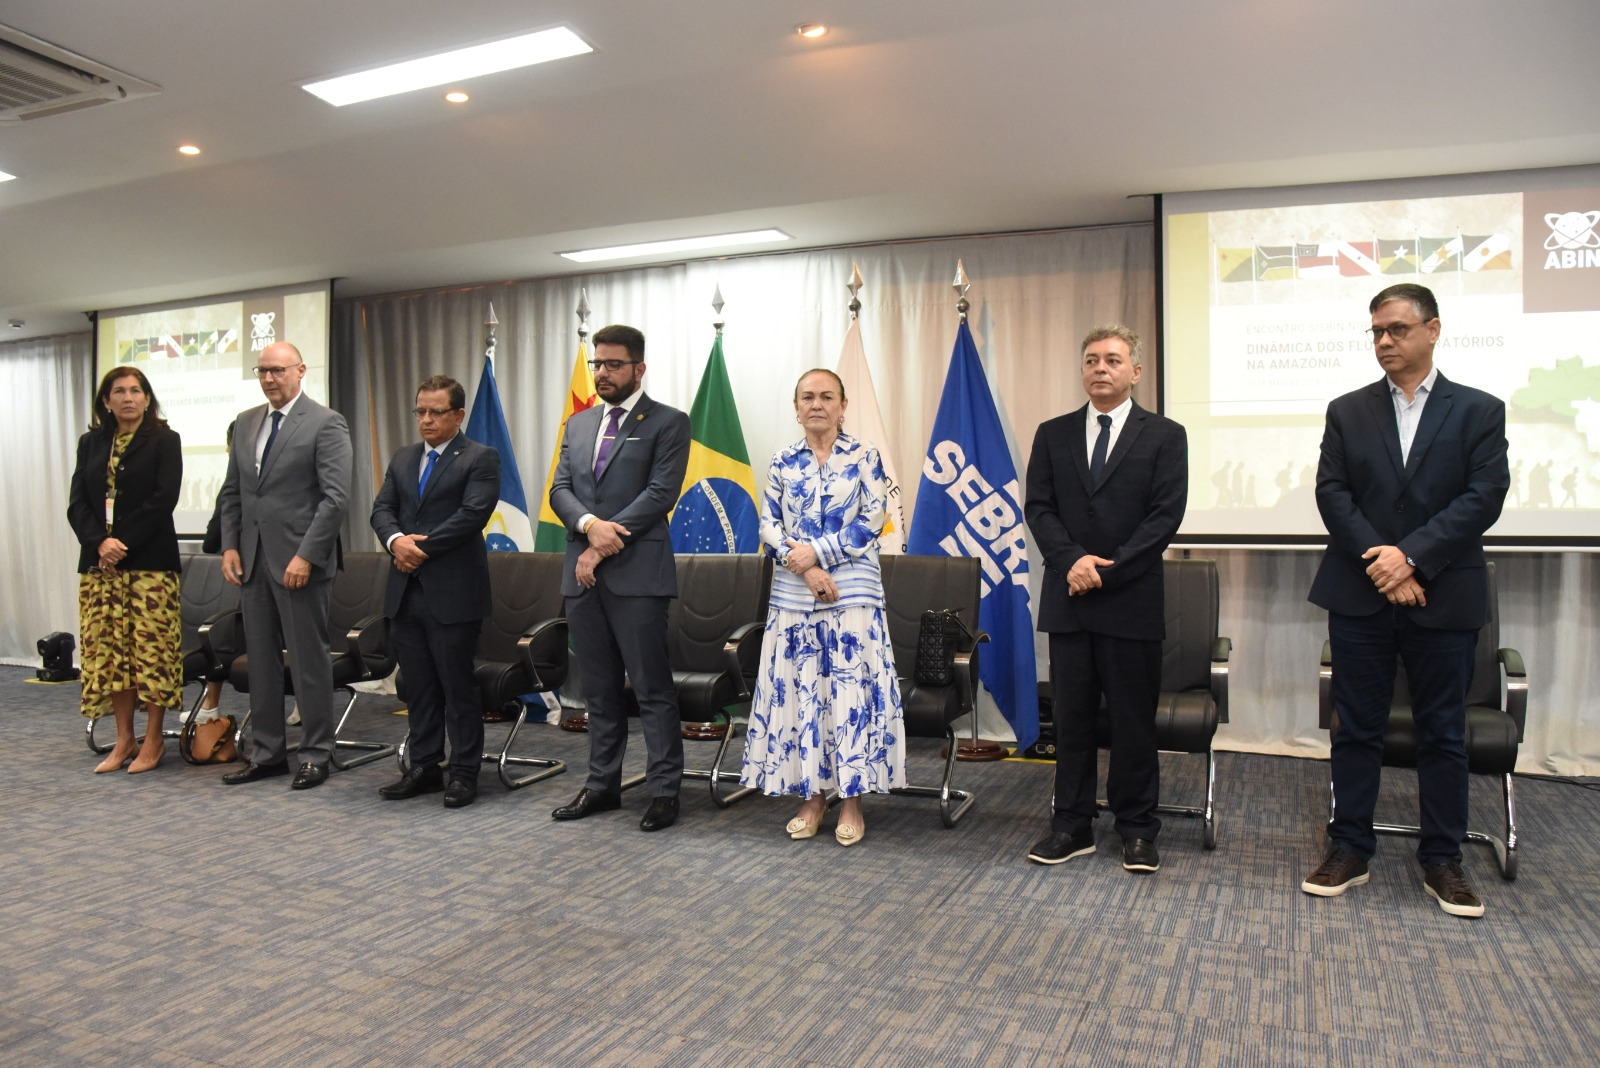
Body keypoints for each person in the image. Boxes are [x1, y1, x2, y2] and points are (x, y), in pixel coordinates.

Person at [1302, 283, 1509, 918]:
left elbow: (1484, 496)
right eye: (1376, 332)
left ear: (1433, 329)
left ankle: (1442, 858)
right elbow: (1333, 493)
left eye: (1397, 329)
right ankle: (1349, 847)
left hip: (1442, 593)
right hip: (1361, 592)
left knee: (1442, 732)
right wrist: (1385, 565)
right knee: (1356, 727)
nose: (1385, 341)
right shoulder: (1347, 410)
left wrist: (1411, 557)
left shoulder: (1478, 410)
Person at [1023, 324, 1188, 873]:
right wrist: (1072, 561)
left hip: (1130, 599)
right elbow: (1039, 507)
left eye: (1113, 360)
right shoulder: (1053, 433)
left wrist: (1105, 571)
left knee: (1132, 723)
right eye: (1092, 359)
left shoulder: (1165, 435)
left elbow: (1164, 516)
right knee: (1071, 721)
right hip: (1069, 597)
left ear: (1135, 372)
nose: (1100, 368)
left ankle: (1137, 828)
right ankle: (1071, 824)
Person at [739, 369, 906, 846]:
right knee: (803, 698)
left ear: (842, 406)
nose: (817, 404)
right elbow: (768, 526)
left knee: (850, 699)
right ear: (796, 408)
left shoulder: (865, 456)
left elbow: (872, 520)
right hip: (794, 596)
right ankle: (812, 799)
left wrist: (818, 553)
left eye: (827, 397)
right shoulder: (782, 460)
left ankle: (852, 802)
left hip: (853, 596)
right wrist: (808, 569)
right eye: (808, 397)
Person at [548, 324, 691, 832]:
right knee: (599, 691)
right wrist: (589, 527)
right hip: (583, 577)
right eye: (598, 364)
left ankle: (664, 791)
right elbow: (560, 490)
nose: (603, 373)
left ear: (639, 368)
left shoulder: (668, 422)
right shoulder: (579, 423)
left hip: (638, 576)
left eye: (613, 364)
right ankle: (602, 785)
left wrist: (602, 541)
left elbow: (660, 494)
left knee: (651, 689)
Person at [218, 341, 352, 790]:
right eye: (262, 371)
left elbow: (335, 499)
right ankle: (268, 754)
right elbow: (234, 492)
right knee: (260, 662)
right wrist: (230, 545)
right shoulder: (246, 421)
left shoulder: (325, 422)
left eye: (277, 370)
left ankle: (316, 753)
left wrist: (306, 555)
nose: (269, 378)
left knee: (308, 661)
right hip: (253, 560)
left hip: (301, 563)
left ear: (300, 370)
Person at [371, 375, 499, 808]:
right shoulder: (404, 457)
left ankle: (463, 772)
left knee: (457, 687)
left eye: (435, 412)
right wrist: (395, 542)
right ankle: (424, 767)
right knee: (419, 687)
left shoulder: (479, 457)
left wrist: (417, 549)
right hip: (406, 590)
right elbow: (382, 509)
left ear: (458, 415)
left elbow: (472, 515)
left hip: (453, 591)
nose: (425, 419)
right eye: (420, 411)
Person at [67, 366, 184, 774]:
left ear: (147, 398)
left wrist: (121, 543)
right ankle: (123, 740)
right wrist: (99, 542)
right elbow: (78, 503)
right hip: (100, 567)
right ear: (106, 401)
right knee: (111, 655)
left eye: (136, 390)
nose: (128, 398)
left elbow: (164, 499)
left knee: (151, 654)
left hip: (150, 565)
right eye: (119, 391)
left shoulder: (165, 440)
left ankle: (153, 740)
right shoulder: (91, 443)